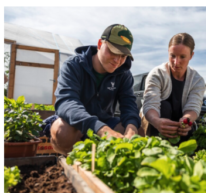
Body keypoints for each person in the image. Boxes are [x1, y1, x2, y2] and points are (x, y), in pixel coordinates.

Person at [50, 24, 141, 155]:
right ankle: (69, 162)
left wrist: (132, 128)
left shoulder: (124, 75)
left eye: (123, 55)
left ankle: (109, 164)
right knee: (62, 131)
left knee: (138, 132)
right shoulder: (74, 66)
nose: (117, 60)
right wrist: (101, 129)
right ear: (100, 44)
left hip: (105, 123)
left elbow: (129, 105)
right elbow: (67, 102)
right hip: (77, 125)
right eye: (113, 51)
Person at [141, 33, 205, 141]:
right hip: (156, 122)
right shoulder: (157, 74)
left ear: (191, 56)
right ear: (168, 53)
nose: (176, 62)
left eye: (182, 57)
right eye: (173, 56)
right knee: (165, 106)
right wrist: (156, 121)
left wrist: (186, 120)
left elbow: (193, 107)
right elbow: (150, 103)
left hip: (179, 124)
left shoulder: (197, 80)